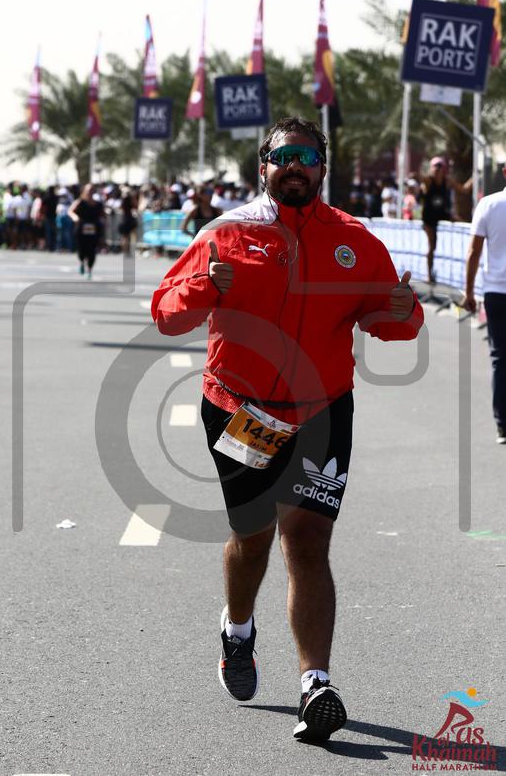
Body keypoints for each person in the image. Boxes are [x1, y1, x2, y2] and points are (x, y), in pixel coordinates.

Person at [151, 116, 424, 742]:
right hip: (241, 407)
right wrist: (202, 285)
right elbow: (166, 313)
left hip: (322, 411)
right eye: (283, 156)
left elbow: (389, 322)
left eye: (306, 156)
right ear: (263, 167)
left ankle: (315, 684)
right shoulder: (226, 233)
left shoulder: (355, 240)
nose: (294, 166)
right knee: (253, 536)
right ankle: (237, 630)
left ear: (322, 168)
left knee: (306, 541)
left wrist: (403, 313)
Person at [461, 163, 506, 445]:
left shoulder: (489, 204)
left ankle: (503, 424)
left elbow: (473, 252)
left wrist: (468, 292)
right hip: (495, 292)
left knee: (500, 359)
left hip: (496, 292)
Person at [420, 157, 471, 284]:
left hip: (442, 213)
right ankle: (429, 274)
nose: (437, 170)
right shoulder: (428, 181)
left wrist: (475, 177)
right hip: (429, 217)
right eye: (435, 167)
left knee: (461, 223)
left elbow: (464, 189)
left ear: (444, 170)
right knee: (432, 246)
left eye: (440, 167)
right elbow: (420, 178)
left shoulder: (447, 181)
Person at [68, 184, 104, 279]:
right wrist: (75, 217)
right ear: (84, 191)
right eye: (88, 190)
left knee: (92, 250)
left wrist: (103, 222)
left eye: (92, 190)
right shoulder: (80, 202)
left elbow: (103, 215)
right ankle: (82, 262)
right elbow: (70, 211)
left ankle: (89, 269)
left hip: (94, 230)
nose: (90, 192)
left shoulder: (98, 204)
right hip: (81, 229)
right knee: (82, 250)